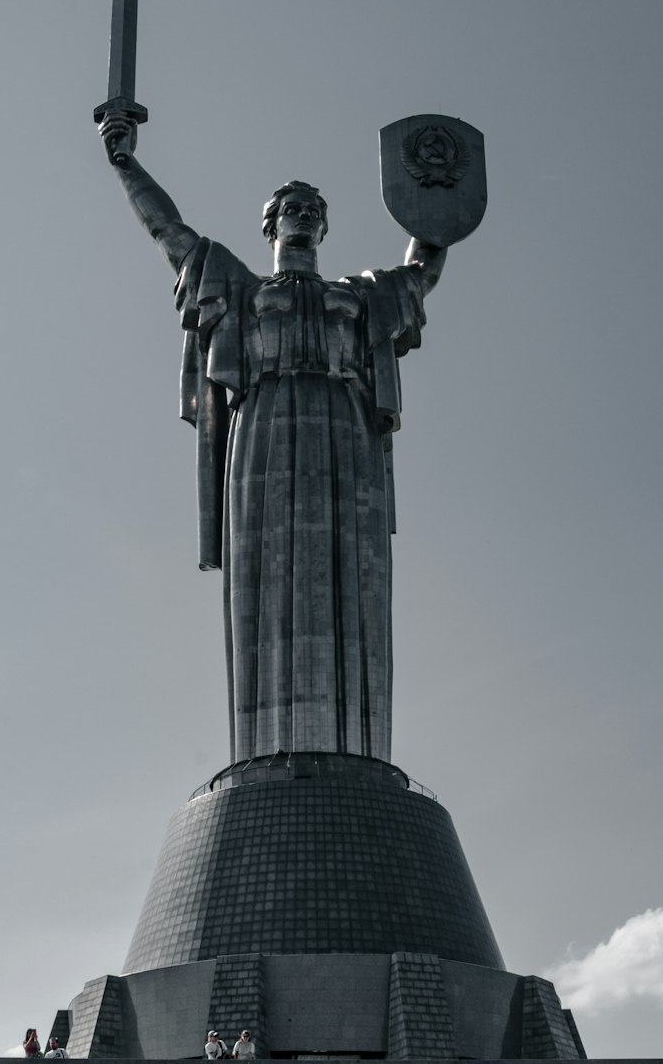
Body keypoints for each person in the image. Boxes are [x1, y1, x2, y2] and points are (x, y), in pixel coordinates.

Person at [99, 116, 446, 763]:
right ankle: (266, 754)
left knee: (352, 585)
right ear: (271, 225)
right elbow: (169, 234)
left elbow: (421, 272)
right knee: (267, 583)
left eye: (312, 208)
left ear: (323, 226)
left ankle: (354, 753)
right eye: (290, 207)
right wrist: (126, 166)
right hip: (263, 431)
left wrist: (437, 206)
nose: (302, 214)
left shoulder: (359, 298)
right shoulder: (238, 287)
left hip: (345, 434)